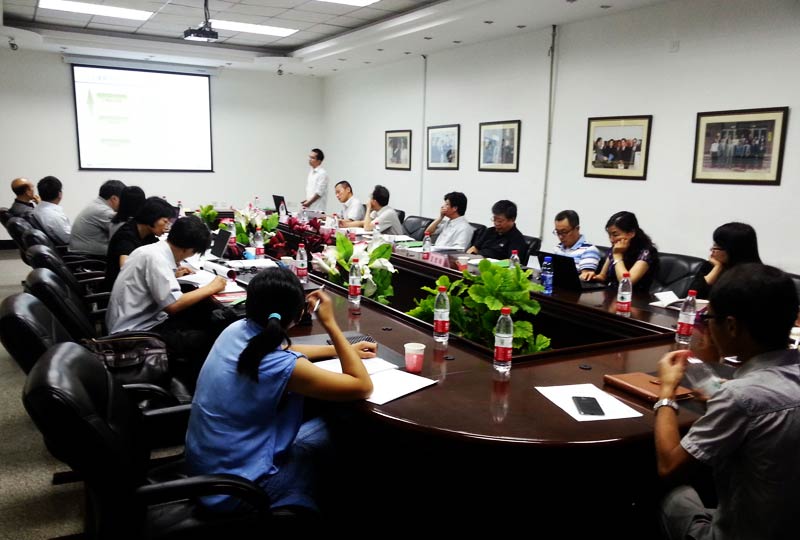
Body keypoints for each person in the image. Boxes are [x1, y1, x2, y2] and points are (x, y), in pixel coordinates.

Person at [185, 267, 374, 513]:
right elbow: (361, 386)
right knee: (344, 430)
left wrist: (339, 350)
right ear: (298, 314)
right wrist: (330, 324)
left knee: (326, 425)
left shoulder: (236, 330)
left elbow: (279, 348)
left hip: (209, 468)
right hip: (239, 489)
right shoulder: (282, 366)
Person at [654, 264, 800, 540]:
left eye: (709, 318)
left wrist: (667, 391)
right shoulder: (743, 393)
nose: (707, 326)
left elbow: (669, 466)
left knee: (670, 493)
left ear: (731, 326)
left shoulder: (739, 397)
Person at [106, 215, 226, 380]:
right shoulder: (157, 260)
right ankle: (193, 382)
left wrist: (173, 276)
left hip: (130, 321)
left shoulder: (149, 250)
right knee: (209, 336)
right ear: (188, 250)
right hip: (134, 336)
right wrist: (212, 287)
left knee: (200, 314)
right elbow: (173, 305)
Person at [104, 196, 178, 291]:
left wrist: (174, 270)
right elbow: (127, 271)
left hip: (136, 289)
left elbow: (162, 255)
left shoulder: (147, 234)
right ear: (152, 218)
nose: (167, 227)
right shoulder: (126, 236)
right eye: (165, 221)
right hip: (120, 292)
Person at [688, 222, 761, 299]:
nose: (711, 249)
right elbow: (691, 297)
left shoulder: (755, 277)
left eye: (717, 246)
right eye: (714, 244)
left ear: (734, 250)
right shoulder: (711, 265)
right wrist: (717, 268)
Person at [588, 210, 658, 291]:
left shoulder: (646, 252)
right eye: (609, 235)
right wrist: (593, 277)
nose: (611, 240)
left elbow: (627, 282)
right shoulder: (615, 249)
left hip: (634, 296)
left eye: (615, 235)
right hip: (611, 294)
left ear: (631, 233)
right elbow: (603, 276)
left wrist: (618, 256)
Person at [69, 179, 126, 256]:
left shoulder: (96, 205)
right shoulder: (102, 211)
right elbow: (123, 230)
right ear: (114, 198)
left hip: (82, 254)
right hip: (89, 257)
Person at [552, 210, 601, 279]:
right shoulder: (558, 248)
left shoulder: (589, 250)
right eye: (558, 232)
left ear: (577, 229)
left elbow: (585, 278)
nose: (560, 236)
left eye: (564, 232)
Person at [31, 175, 71, 244]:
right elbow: (69, 239)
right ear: (60, 194)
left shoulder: (36, 209)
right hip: (67, 248)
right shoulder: (54, 216)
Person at [301, 148, 329, 213]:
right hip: (309, 207)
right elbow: (312, 191)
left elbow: (319, 193)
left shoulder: (322, 173)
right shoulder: (311, 172)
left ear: (319, 161)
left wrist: (309, 202)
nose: (309, 159)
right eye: (309, 157)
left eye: (312, 158)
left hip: (317, 209)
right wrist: (307, 200)